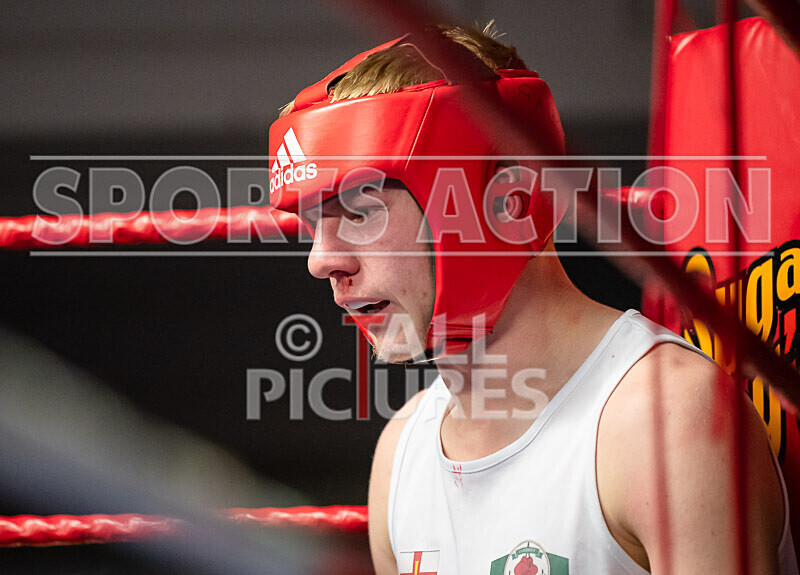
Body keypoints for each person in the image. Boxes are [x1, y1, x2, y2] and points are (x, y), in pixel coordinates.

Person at [268, 23, 798, 575]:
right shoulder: (400, 456)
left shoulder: (661, 420)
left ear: (510, 201)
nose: (321, 260)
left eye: (360, 211)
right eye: (312, 224)